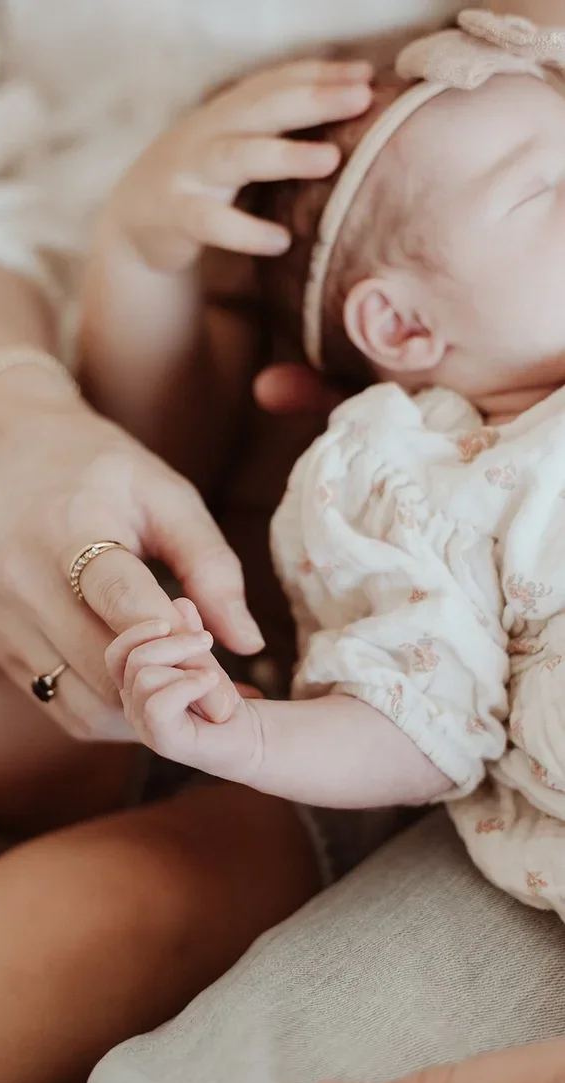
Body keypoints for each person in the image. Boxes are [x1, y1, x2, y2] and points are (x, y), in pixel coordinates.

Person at [0, 3, 561, 1083]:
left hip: (388, 768)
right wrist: (140, 253)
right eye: (548, 193)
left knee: (108, 912)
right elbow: (162, 462)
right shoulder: (408, 458)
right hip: (241, 649)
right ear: (401, 327)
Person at [108, 10, 565, 920]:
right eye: (544, 192)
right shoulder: (423, 489)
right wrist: (249, 736)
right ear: (401, 324)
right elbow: (417, 720)